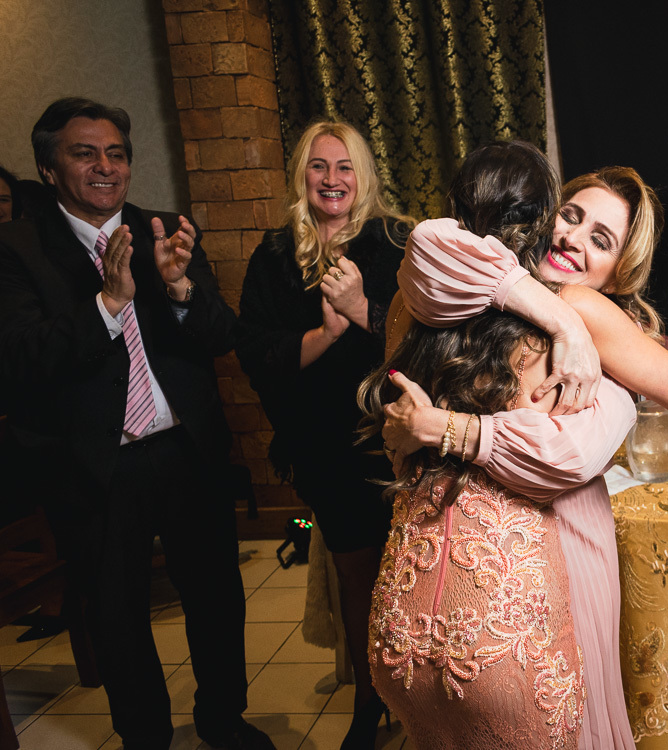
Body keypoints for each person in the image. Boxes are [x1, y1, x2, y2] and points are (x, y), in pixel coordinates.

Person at [381, 148, 668, 749]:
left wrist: (608, 359)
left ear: (618, 273)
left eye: (602, 239)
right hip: (495, 566)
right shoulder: (471, 284)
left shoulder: (585, 308)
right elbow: (429, 243)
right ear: (540, 213)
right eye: (571, 214)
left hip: (554, 535)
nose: (574, 238)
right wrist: (558, 318)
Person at [0, 98, 271, 750]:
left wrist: (179, 292)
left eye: (116, 153)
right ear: (47, 167)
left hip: (186, 448)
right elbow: (21, 361)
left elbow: (220, 334)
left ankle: (222, 719)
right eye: (84, 153)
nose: (105, 166)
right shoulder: (17, 251)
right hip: (94, 464)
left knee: (215, 597)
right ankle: (145, 736)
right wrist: (108, 304)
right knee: (116, 613)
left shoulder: (166, 228)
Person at [235, 120, 411, 748]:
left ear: (363, 176)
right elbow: (254, 349)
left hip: (402, 444)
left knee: (419, 578)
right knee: (358, 579)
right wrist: (326, 335)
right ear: (301, 176)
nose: (331, 180)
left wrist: (366, 310)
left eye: (344, 167)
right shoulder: (276, 252)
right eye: (318, 166)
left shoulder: (399, 242)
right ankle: (370, 701)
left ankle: (430, 698)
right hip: (327, 452)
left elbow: (433, 348)